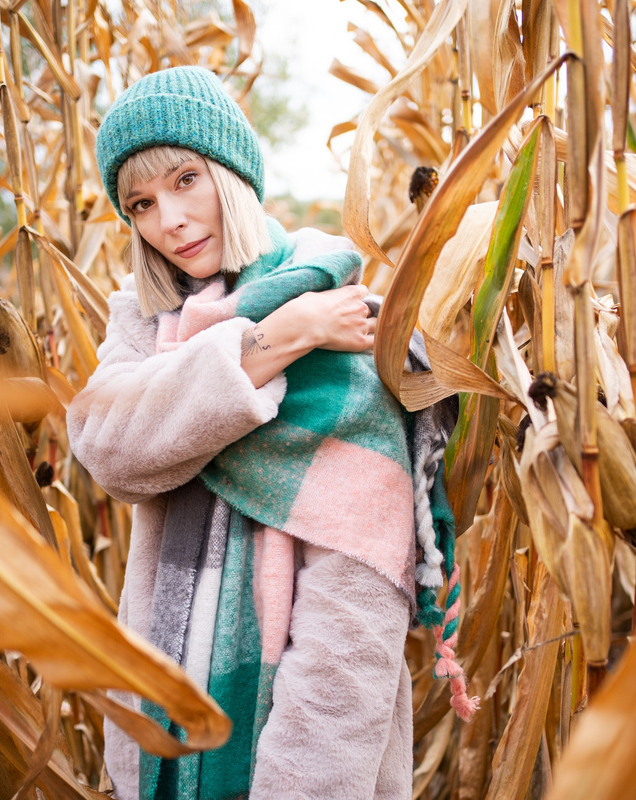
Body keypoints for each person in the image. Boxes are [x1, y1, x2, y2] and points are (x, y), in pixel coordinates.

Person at [67, 66, 474, 800]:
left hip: (292, 760)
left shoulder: (346, 333)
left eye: (186, 179)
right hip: (162, 740)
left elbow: (350, 632)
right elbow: (109, 450)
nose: (170, 220)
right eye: (142, 203)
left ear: (232, 172)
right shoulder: (145, 324)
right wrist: (281, 336)